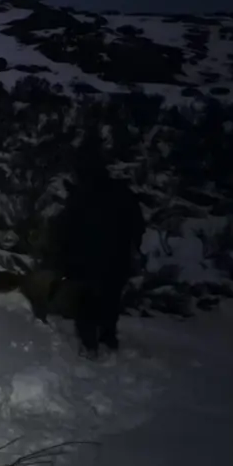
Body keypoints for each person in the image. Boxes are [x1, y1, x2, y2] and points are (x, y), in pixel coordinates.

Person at [50, 140, 145, 355]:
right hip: (115, 259)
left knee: (86, 302)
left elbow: (65, 230)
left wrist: (61, 260)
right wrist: (132, 249)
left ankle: (89, 344)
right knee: (110, 300)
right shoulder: (120, 191)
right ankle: (108, 338)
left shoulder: (79, 195)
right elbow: (136, 224)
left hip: (86, 261)